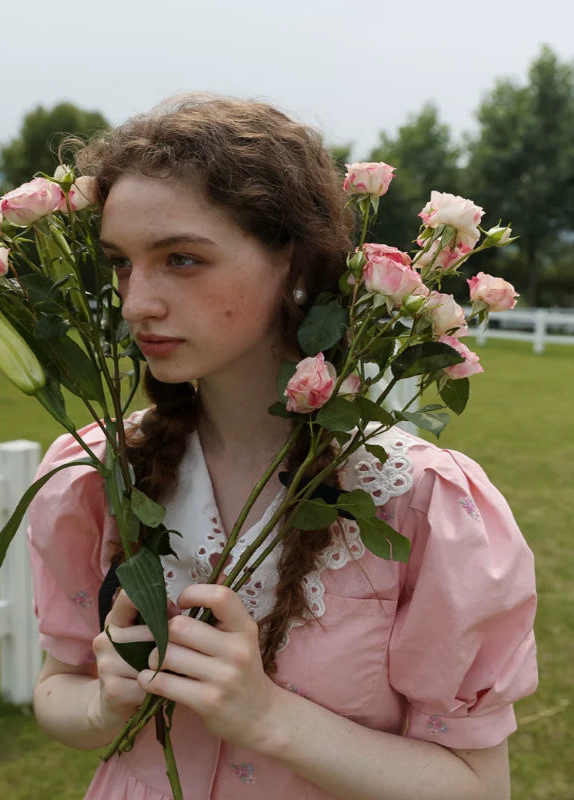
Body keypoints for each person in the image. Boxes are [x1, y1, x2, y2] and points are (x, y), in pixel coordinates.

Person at [27, 95, 538, 800]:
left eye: (181, 258)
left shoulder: (419, 503)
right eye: (121, 263)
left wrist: (268, 718)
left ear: (294, 263)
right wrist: (102, 704)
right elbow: (57, 684)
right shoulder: (93, 473)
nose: (136, 302)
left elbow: (477, 786)